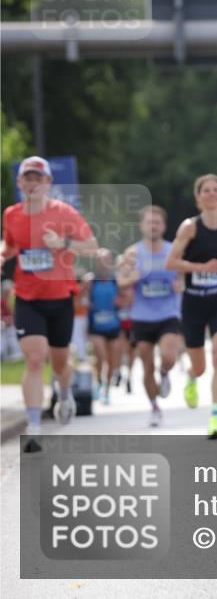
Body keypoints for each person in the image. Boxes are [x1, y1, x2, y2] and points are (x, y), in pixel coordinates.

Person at [1, 156, 98, 453]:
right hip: (28, 298)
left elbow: (92, 247)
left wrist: (63, 244)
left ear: (47, 183)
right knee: (34, 358)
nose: (32, 183)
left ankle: (65, 392)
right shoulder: (11, 215)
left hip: (60, 298)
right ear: (19, 183)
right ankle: (33, 427)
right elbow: (11, 247)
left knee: (59, 364)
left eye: (37, 178)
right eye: (26, 178)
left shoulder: (64, 213)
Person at [166, 174, 217, 440]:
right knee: (200, 367)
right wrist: (200, 268)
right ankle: (191, 376)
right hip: (193, 302)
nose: (211, 194)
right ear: (198, 198)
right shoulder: (190, 228)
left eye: (215, 190)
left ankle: (215, 419)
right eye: (205, 190)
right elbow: (171, 262)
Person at [118, 205, 183, 427]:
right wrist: (132, 278)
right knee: (146, 366)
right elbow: (121, 281)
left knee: (168, 356)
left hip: (168, 313)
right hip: (142, 316)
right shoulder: (132, 253)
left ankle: (165, 373)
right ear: (142, 226)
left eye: (157, 222)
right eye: (149, 222)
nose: (153, 225)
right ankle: (154, 406)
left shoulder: (173, 250)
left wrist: (180, 285)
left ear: (163, 226)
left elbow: (184, 277)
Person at [81, 249, 124, 405]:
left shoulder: (116, 281)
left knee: (112, 361)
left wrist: (120, 302)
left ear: (110, 262)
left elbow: (125, 300)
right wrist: (86, 301)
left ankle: (107, 389)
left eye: (106, 260)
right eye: (100, 260)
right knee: (100, 356)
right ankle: (98, 382)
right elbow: (80, 300)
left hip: (113, 325)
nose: (103, 263)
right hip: (96, 325)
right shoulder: (90, 281)